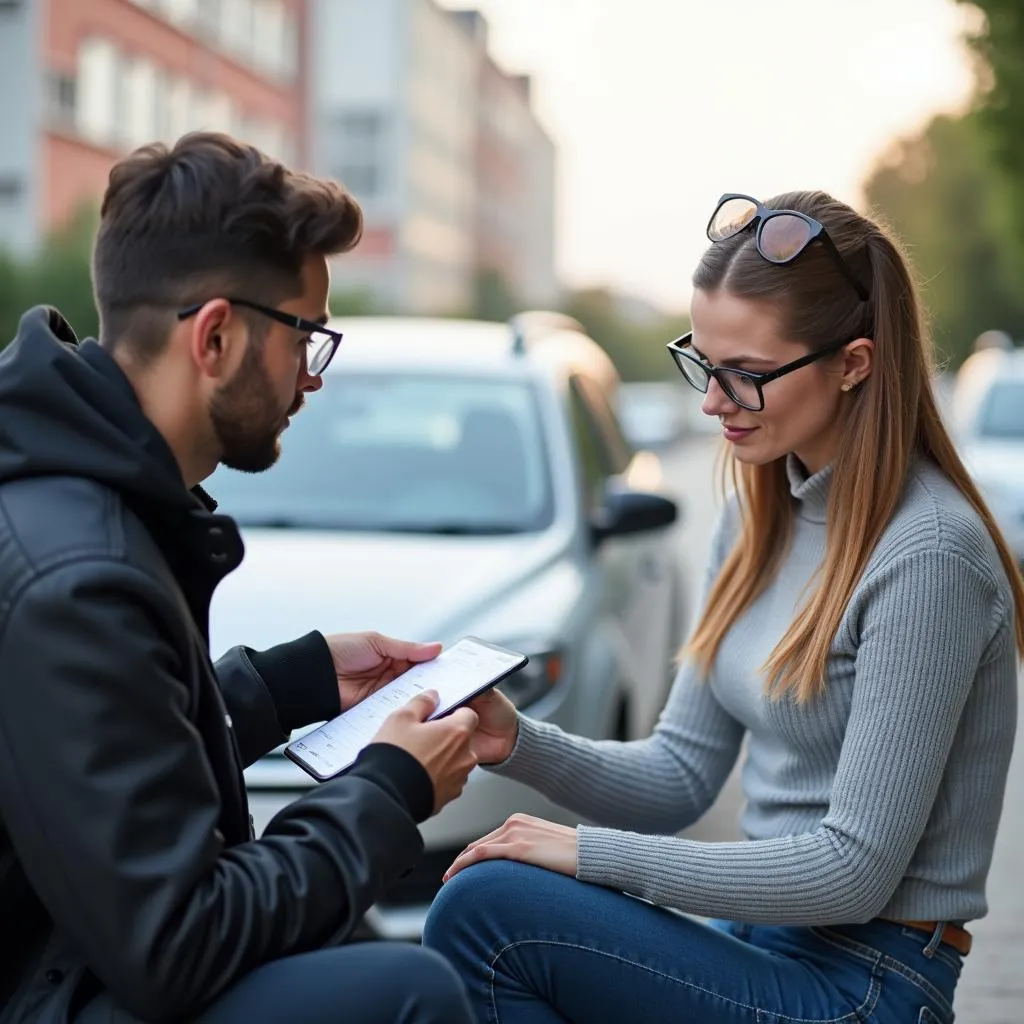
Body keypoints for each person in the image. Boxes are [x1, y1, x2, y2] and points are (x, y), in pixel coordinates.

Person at [423, 190, 1024, 1023]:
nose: (712, 402)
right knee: (491, 913)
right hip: (756, 943)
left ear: (854, 363)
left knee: (487, 912)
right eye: (704, 364)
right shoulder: (758, 509)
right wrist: (517, 743)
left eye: (745, 375)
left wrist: (585, 853)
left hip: (868, 982)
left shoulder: (929, 555)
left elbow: (854, 870)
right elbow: (680, 774)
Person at [0, 133, 478, 1024]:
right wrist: (387, 788)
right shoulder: (81, 572)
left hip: (67, 950)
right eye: (306, 338)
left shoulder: (83, 497)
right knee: (406, 992)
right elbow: (179, 940)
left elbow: (95, 759)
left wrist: (287, 684)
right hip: (44, 984)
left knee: (359, 950)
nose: (312, 377)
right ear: (216, 336)